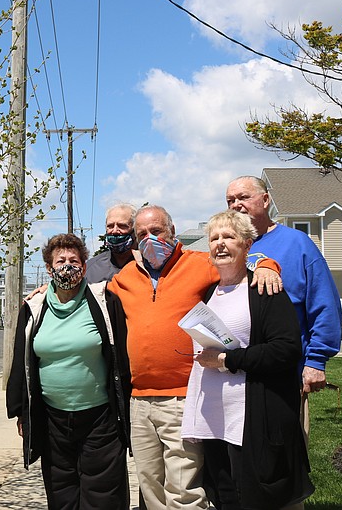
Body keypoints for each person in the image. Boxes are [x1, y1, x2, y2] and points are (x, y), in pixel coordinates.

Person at [107, 204, 283, 510]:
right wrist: (48, 288)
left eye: (157, 231)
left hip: (183, 397)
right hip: (139, 400)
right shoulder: (125, 277)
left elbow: (242, 261)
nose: (150, 239)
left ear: (172, 231)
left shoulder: (200, 263)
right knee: (149, 486)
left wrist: (269, 264)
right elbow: (90, 291)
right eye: (142, 234)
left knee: (184, 488)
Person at [182, 210, 314, 508]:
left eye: (229, 237)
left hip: (253, 418)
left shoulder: (264, 288)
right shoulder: (208, 294)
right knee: (225, 496)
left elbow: (286, 348)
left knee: (255, 498)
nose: (220, 244)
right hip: (215, 419)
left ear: (247, 244)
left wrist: (228, 360)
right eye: (214, 238)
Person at [7, 233, 131, 509]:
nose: (67, 266)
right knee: (62, 496)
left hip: (100, 420)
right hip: (52, 421)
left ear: (84, 267)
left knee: (103, 497)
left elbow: (121, 357)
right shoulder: (34, 307)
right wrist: (21, 412)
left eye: (74, 261)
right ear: (49, 269)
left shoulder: (104, 301)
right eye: (60, 261)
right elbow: (22, 361)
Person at [226, 176, 341, 435]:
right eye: (230, 200)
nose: (235, 205)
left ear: (265, 200)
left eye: (243, 197)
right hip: (234, 376)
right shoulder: (228, 248)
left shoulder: (296, 243)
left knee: (285, 457)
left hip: (285, 375)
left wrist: (316, 361)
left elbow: (324, 304)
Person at [85, 203, 137, 283]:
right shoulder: (91, 269)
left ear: (135, 230)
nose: (115, 231)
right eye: (110, 226)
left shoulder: (150, 265)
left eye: (122, 226)